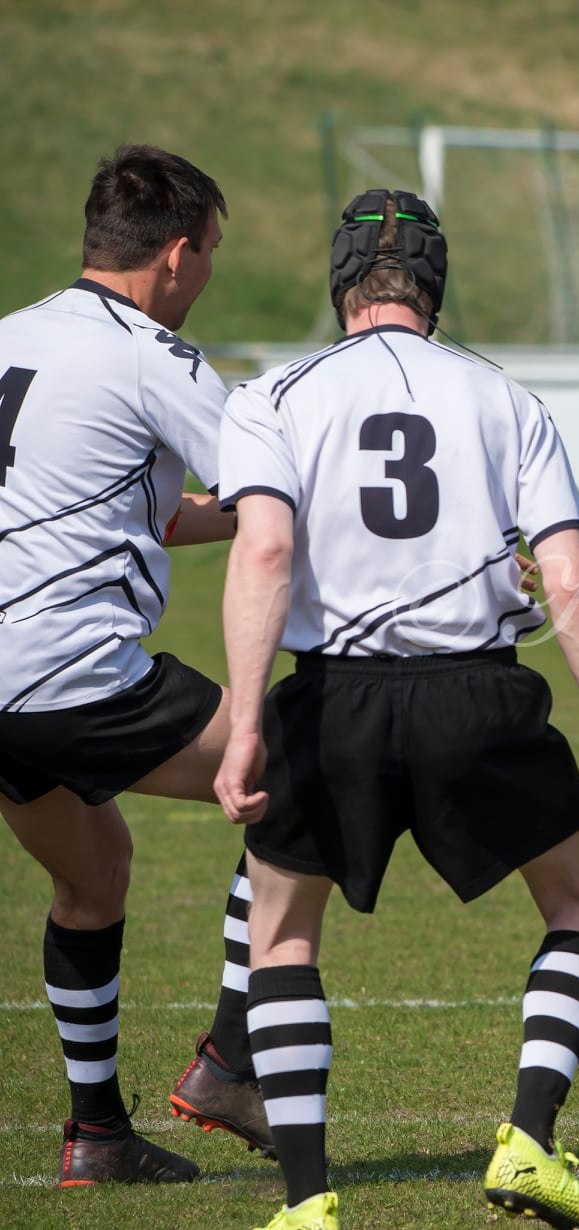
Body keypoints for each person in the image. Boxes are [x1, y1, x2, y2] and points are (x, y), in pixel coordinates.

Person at [213, 188, 579, 1230]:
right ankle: (529, 1142)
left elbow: (265, 551)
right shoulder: (505, 397)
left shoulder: (273, 395)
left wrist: (245, 725)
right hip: (478, 696)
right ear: (436, 285)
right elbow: (568, 580)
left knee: (281, 941)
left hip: (329, 699)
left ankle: (307, 1203)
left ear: (341, 283)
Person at [0, 144, 274, 1185]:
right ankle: (231, 1063)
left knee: (94, 874)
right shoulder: (155, 357)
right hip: (68, 674)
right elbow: (276, 489)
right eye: (211, 252)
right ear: (174, 254)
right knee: (304, 774)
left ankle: (98, 1136)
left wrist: (232, 516)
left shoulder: (14, 336)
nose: (207, 274)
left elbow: (132, 507)